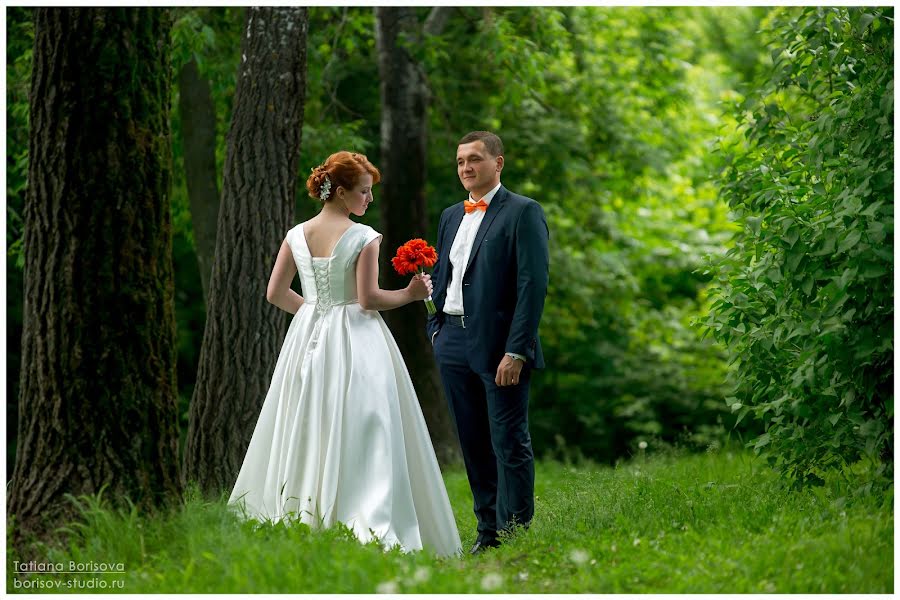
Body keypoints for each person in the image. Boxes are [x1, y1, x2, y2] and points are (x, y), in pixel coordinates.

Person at [228, 151, 462, 558]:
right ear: (340, 192)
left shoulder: (296, 234)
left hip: (307, 336)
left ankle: (300, 510)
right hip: (356, 338)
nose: (369, 199)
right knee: (365, 421)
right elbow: (369, 300)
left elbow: (275, 293)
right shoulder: (364, 236)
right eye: (364, 192)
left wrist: (316, 315)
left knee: (306, 418)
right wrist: (410, 294)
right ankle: (359, 513)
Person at [427, 131, 549, 554]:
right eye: (460, 161)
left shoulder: (523, 212)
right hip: (452, 342)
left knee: (508, 440)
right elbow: (444, 276)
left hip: (501, 347)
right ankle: (487, 533)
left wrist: (517, 350)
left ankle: (515, 534)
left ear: (498, 163)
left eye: (475, 159)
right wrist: (436, 328)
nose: (466, 168)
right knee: (473, 441)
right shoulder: (449, 216)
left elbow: (533, 285)